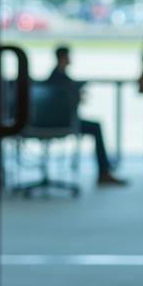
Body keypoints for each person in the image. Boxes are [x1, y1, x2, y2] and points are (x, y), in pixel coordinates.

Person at [48, 46, 127, 187]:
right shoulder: (61, 80)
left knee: (95, 126)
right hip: (63, 122)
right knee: (96, 127)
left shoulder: (55, 77)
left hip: (53, 122)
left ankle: (105, 170)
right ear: (63, 58)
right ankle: (104, 172)